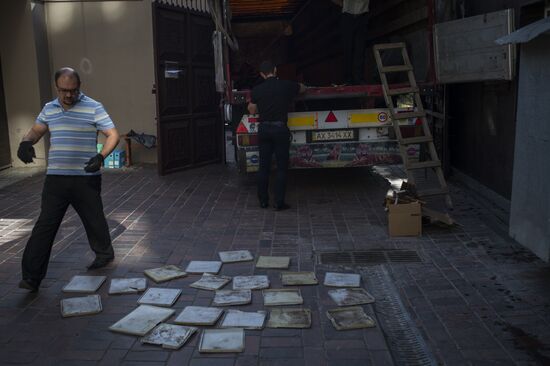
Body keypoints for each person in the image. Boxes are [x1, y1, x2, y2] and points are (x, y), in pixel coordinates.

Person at [17, 67, 120, 292]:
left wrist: (101, 157)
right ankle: (31, 277)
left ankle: (104, 253)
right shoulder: (49, 109)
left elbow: (113, 134)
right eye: (64, 90)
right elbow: (36, 130)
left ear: (79, 87)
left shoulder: (93, 107)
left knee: (94, 218)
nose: (68, 95)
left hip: (86, 178)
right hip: (55, 179)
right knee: (45, 225)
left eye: (73, 90)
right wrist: (26, 142)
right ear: (57, 88)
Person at [248, 60, 306, 211]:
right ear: (275, 70)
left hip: (264, 130)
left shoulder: (257, 90)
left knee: (264, 167)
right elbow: (302, 88)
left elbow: (252, 110)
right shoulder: (287, 85)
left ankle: (263, 201)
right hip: (280, 130)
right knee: (281, 167)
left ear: (261, 74)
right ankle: (278, 202)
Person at [332, 0, 370, 85]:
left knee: (360, 49)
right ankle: (348, 79)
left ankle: (359, 79)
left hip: (363, 14)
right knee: (347, 48)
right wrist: (341, 4)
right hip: (347, 14)